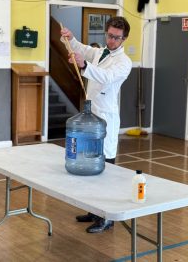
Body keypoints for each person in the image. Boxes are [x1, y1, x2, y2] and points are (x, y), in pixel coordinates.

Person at [61, 16, 132, 233]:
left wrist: (84, 65)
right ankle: (94, 211)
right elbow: (81, 49)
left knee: (106, 169)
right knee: (90, 164)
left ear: (124, 38)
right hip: (90, 117)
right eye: (109, 36)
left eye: (116, 38)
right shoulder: (100, 52)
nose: (112, 41)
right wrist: (71, 39)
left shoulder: (123, 62)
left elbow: (107, 76)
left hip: (106, 119)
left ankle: (107, 218)